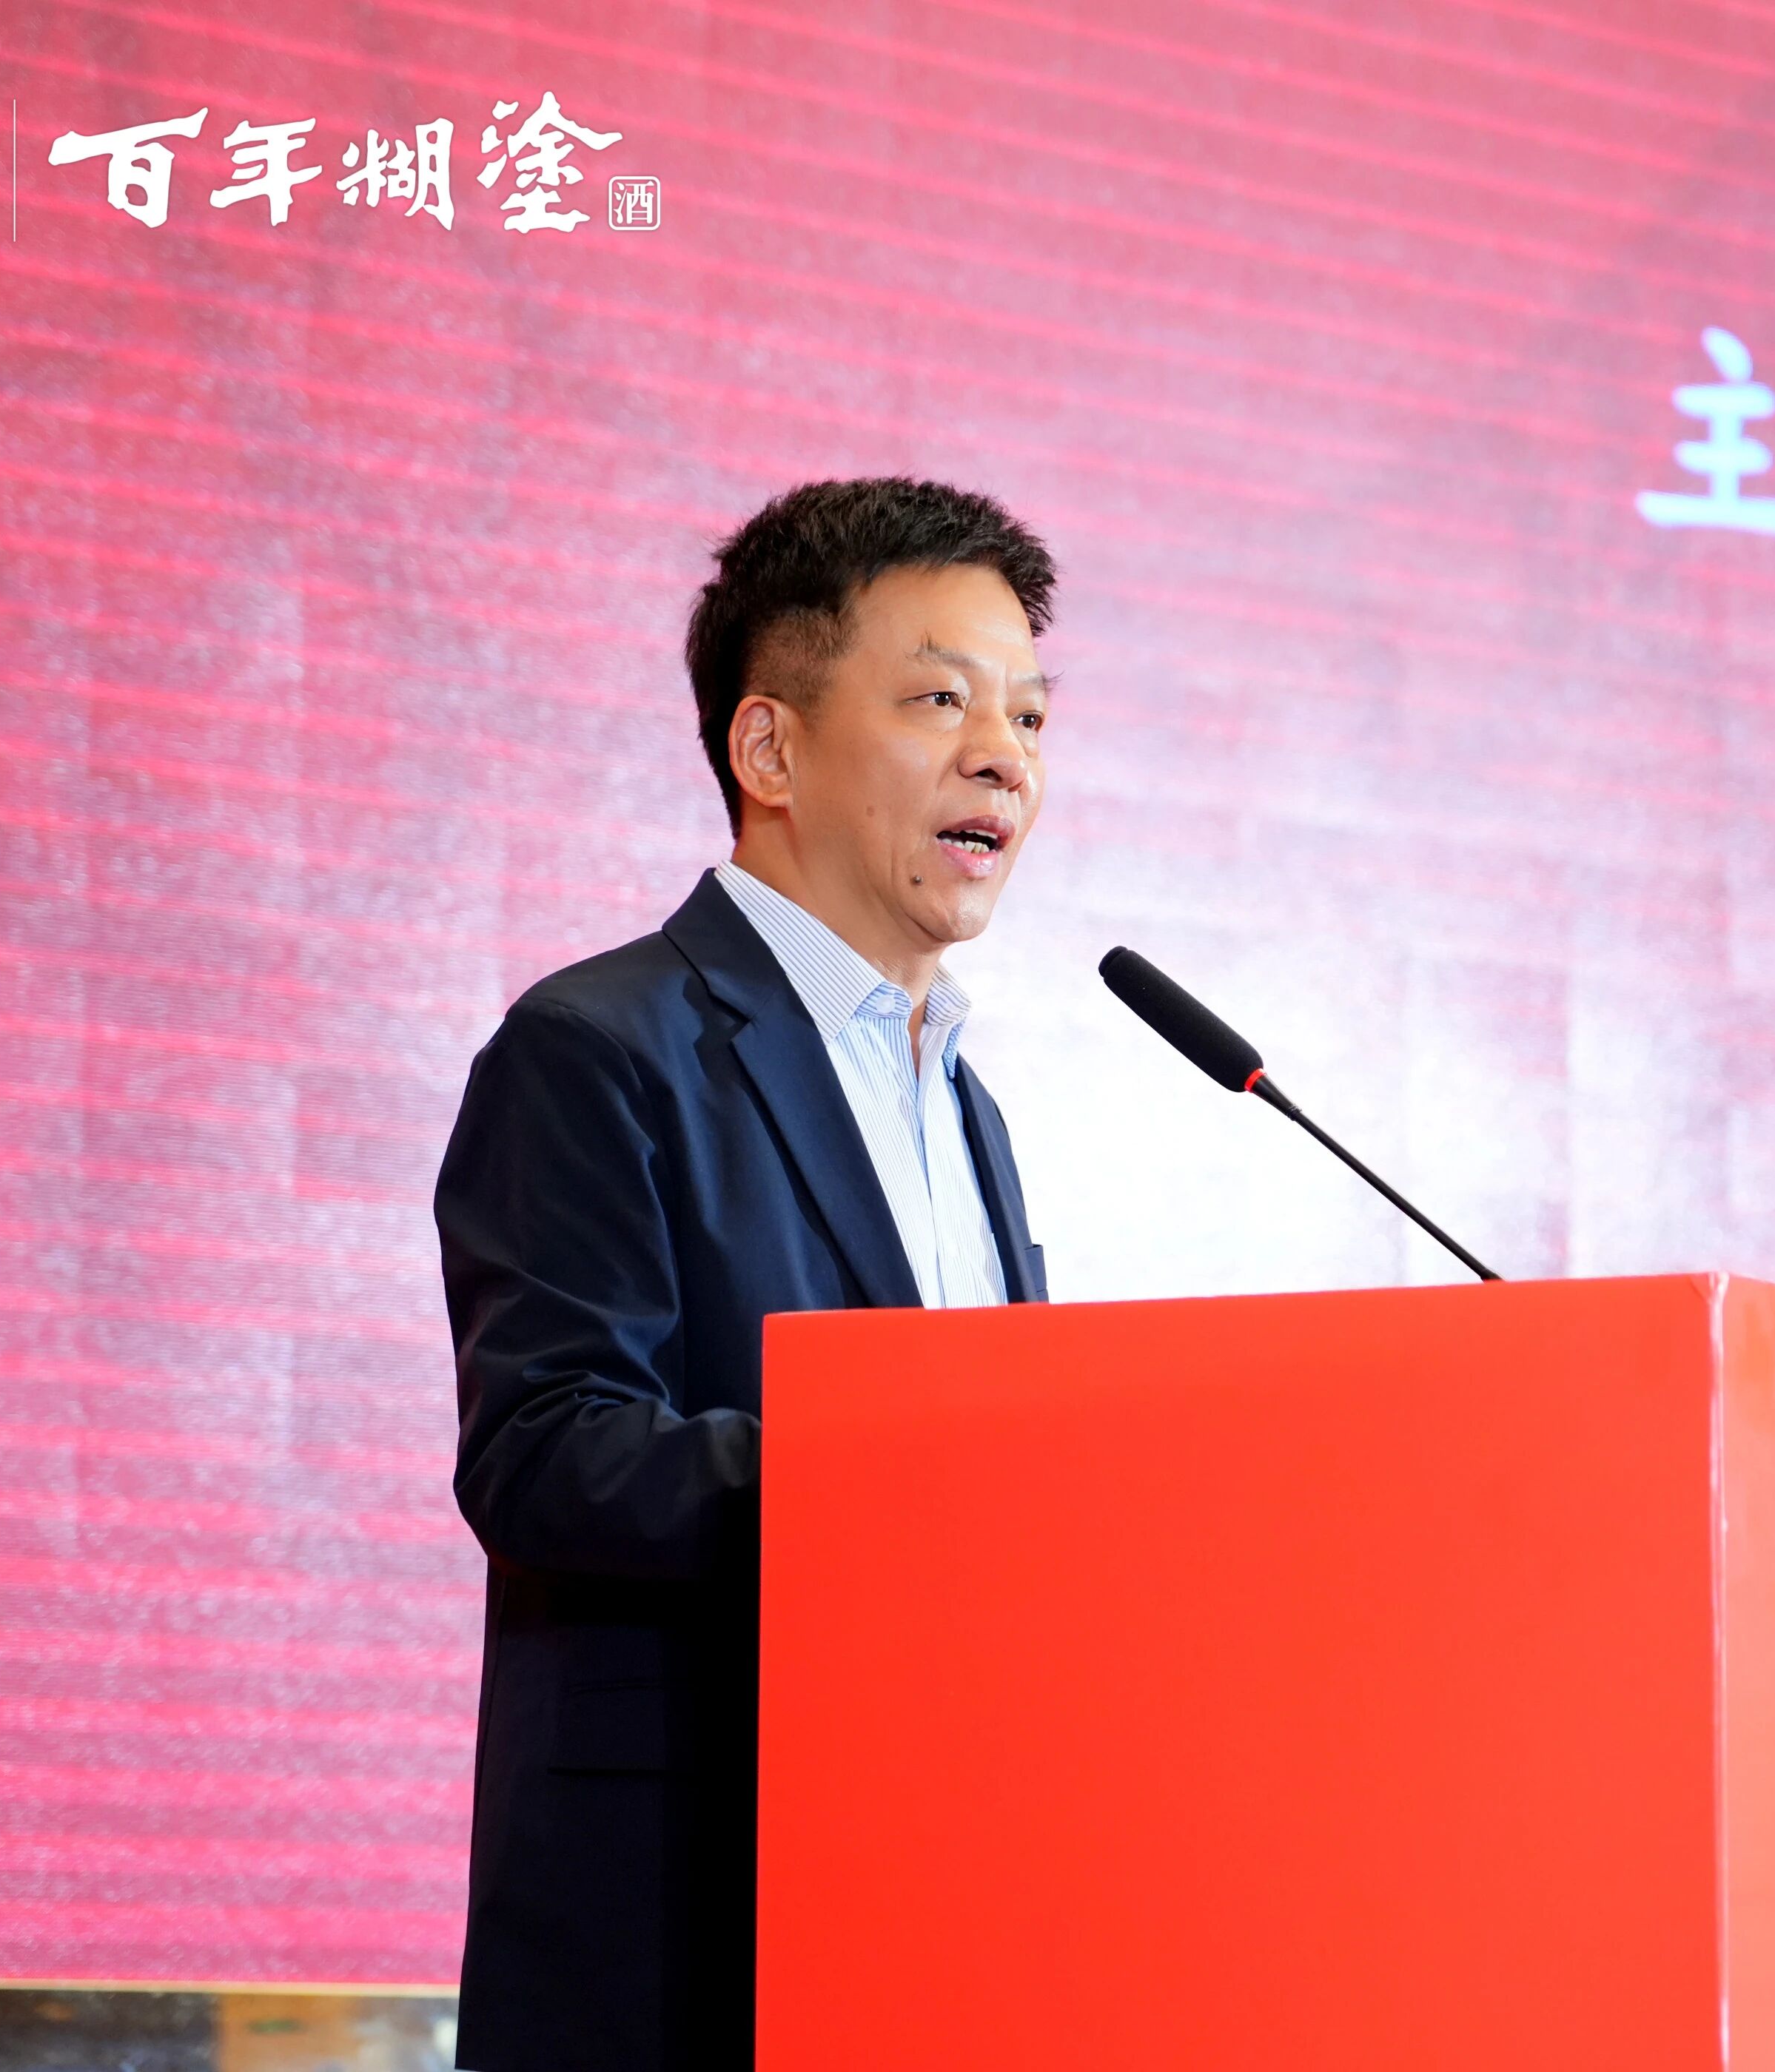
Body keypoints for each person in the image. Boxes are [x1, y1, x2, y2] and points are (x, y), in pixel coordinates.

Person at [434, 478, 1059, 2071]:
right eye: (942, 700)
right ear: (768, 750)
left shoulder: (966, 1106)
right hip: (691, 1921)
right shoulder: (601, 1046)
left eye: (1031, 714)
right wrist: (907, 1476)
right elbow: (544, 1451)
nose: (1007, 755)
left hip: (938, 1902)